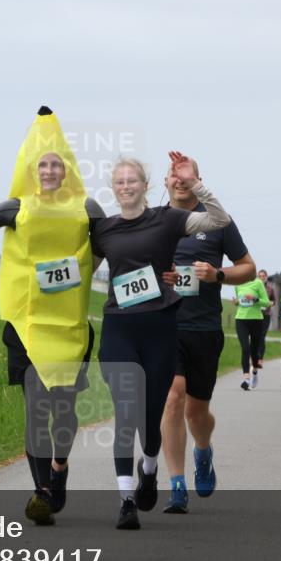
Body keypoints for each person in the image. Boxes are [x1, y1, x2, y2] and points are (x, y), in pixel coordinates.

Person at [0, 106, 103, 526]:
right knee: (37, 409)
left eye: (56, 164)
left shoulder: (87, 207)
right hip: (27, 325)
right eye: (43, 165)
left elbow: (115, 244)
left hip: (69, 328)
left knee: (64, 411)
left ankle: (59, 467)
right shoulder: (17, 207)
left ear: (67, 168)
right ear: (32, 170)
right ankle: (41, 492)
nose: (50, 170)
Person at [93, 153, 231, 529]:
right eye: (119, 181)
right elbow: (81, 269)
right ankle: (126, 500)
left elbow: (219, 219)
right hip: (119, 328)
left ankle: (150, 467)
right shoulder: (103, 229)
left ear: (145, 185)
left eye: (132, 180)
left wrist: (194, 182)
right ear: (113, 188)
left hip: (159, 329)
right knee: (125, 413)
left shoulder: (167, 219)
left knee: (152, 416)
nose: (126, 186)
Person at [158, 158, 254, 514]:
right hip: (164, 326)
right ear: (165, 181)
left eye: (188, 175)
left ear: (198, 180)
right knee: (173, 397)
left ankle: (203, 450)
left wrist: (217, 275)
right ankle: (176, 484)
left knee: (197, 413)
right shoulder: (155, 220)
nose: (180, 180)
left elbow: (249, 268)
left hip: (204, 328)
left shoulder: (217, 221)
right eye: (174, 175)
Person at [233, 276, 272, 390]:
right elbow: (240, 301)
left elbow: (267, 303)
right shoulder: (238, 283)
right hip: (241, 319)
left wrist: (255, 299)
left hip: (256, 320)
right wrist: (236, 302)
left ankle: (254, 371)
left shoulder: (258, 283)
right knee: (245, 348)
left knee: (254, 350)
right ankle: (246, 378)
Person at [257, 269, 276, 362]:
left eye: (263, 276)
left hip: (266, 315)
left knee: (262, 336)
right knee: (255, 335)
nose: (261, 278)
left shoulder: (270, 289)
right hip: (255, 314)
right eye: (260, 276)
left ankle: (260, 358)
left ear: (266, 277)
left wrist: (271, 303)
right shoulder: (254, 287)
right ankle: (254, 356)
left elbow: (274, 300)